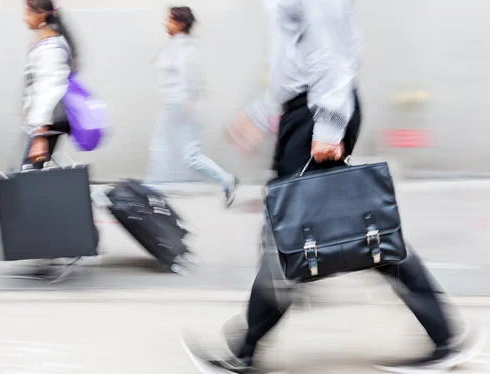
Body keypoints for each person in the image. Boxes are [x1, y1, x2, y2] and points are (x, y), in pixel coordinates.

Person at [189, 0, 483, 372]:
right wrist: (262, 113)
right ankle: (444, 336)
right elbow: (295, 55)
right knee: (349, 229)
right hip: (305, 109)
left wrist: (328, 123)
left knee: (291, 230)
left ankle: (246, 349)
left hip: (318, 110)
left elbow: (333, 52)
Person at [148, 6, 239, 208]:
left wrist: (188, 102)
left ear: (180, 23)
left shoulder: (184, 47)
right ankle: (226, 180)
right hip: (178, 105)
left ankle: (151, 191)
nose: (165, 23)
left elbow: (187, 73)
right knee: (189, 155)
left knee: (161, 147)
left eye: (169, 20)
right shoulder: (178, 45)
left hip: (178, 105)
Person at [16, 0, 79, 279]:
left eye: (27, 11)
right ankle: (56, 249)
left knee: (30, 187)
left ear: (41, 14)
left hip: (46, 127)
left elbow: (51, 89)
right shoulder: (48, 41)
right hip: (42, 126)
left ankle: (58, 249)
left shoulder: (51, 46)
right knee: (36, 185)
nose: (23, 17)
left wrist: (39, 134)